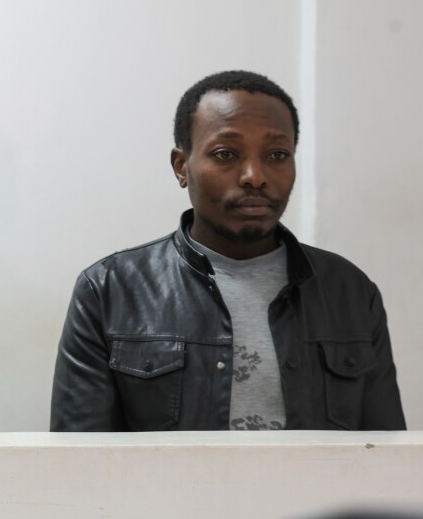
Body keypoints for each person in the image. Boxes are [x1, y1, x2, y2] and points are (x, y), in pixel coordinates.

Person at [51, 70, 404, 431]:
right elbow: (80, 454)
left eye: (277, 154)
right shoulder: (109, 290)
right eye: (225, 154)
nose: (254, 175)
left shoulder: (349, 290)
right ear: (181, 167)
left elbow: (385, 448)